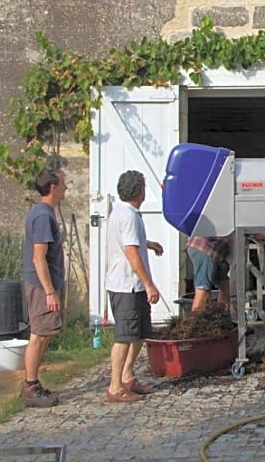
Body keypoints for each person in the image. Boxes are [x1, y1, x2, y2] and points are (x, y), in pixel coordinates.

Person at [104, 170, 164, 403]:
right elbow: (129, 251)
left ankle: (128, 376)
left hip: (133, 284)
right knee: (125, 336)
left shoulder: (126, 214)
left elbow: (131, 242)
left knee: (140, 333)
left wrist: (148, 244)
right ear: (140, 191)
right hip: (126, 284)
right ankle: (115, 387)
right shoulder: (127, 216)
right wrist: (150, 284)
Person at [20, 168, 68, 408]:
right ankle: (30, 386)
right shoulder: (42, 217)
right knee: (38, 335)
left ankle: (33, 383)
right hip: (40, 286)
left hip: (45, 285)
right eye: (63, 184)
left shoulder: (45, 214)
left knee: (44, 334)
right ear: (53, 187)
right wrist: (49, 291)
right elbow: (38, 258)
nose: (66, 188)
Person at [185, 235, 231, 312]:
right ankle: (195, 322)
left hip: (218, 252)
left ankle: (222, 320)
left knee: (225, 289)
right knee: (203, 291)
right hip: (205, 248)